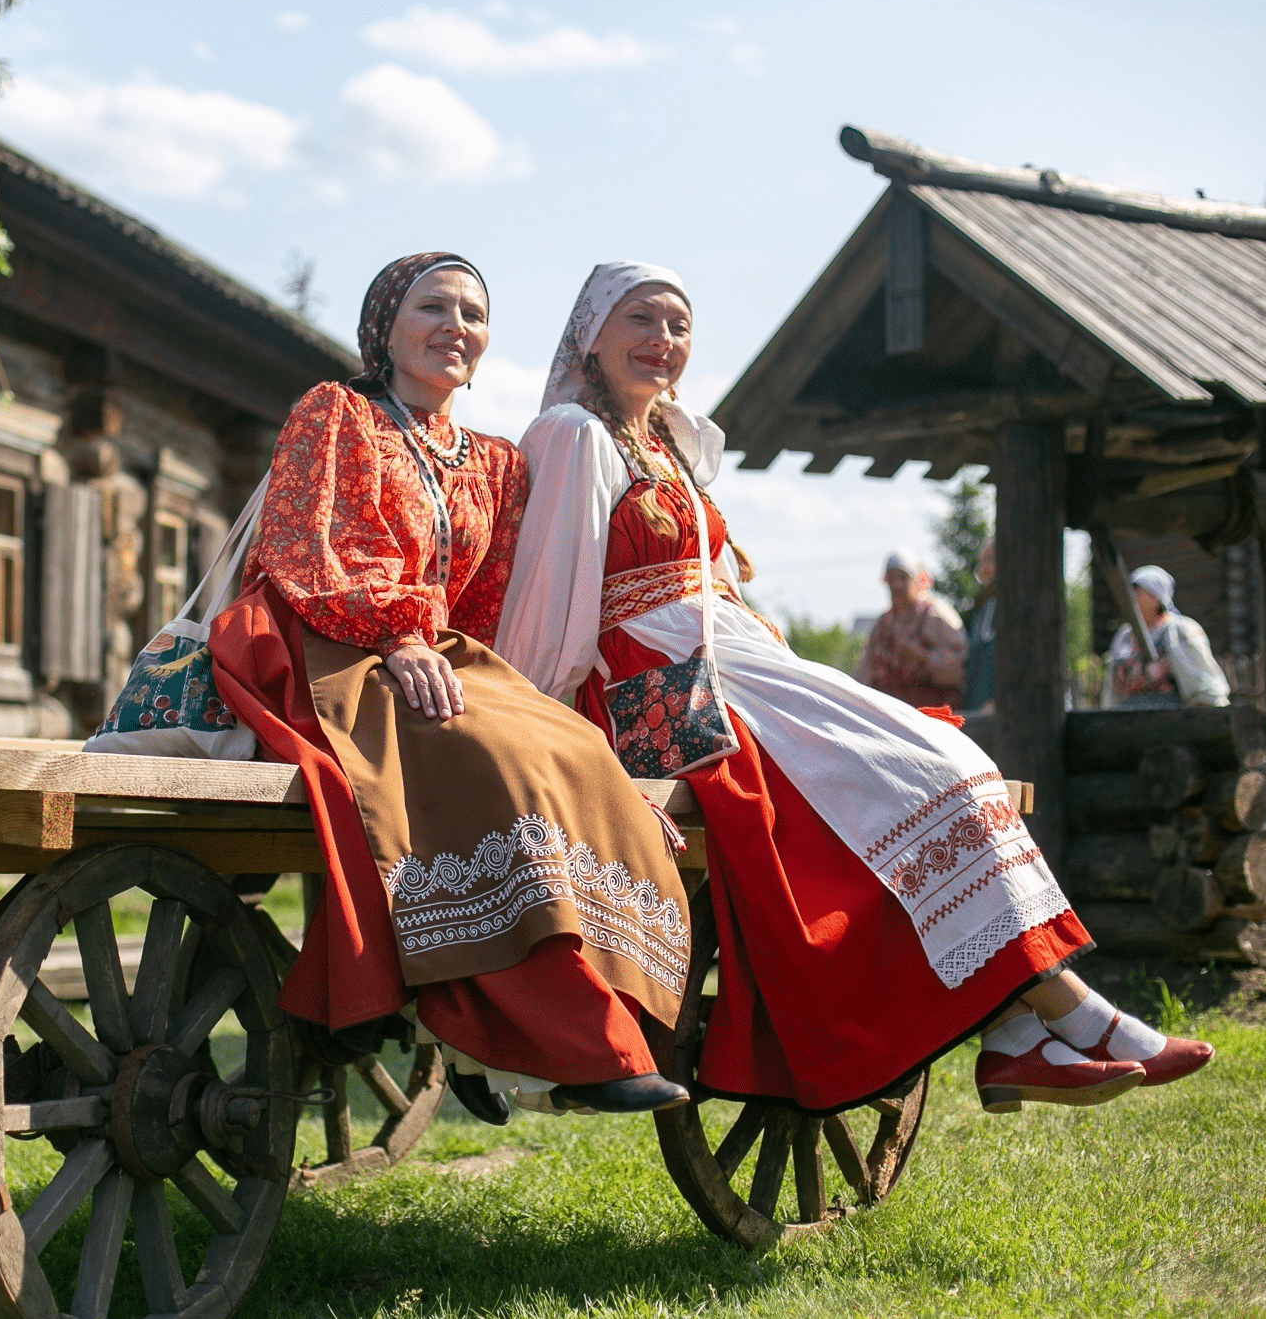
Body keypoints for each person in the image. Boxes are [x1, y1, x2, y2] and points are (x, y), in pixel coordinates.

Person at [496, 262, 1212, 1119]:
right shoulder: (575, 433)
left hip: (725, 656)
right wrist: (535, 725)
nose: (662, 340)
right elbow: (549, 595)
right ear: (592, 333)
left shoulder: (670, 445)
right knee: (889, 772)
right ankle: (1063, 1014)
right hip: (648, 685)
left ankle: (1020, 1029)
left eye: (677, 325)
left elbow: (713, 583)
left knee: (949, 756)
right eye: (640, 319)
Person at [207, 253, 692, 1126]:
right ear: (385, 327)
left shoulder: (495, 463)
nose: (455, 326)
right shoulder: (337, 414)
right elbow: (297, 550)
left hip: (430, 649)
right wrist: (395, 633)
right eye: (433, 306)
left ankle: (548, 1012)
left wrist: (485, 676)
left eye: (473, 312)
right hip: (316, 640)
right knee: (480, 753)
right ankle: (556, 1033)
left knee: (569, 746)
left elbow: (486, 600)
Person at [1102, 565, 1231, 709]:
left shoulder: (1179, 630)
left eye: (1137, 593)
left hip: (1171, 718)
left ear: (1155, 597)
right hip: (1126, 719)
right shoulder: (1124, 635)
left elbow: (1202, 682)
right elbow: (1111, 690)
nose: (1131, 598)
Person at [855, 551, 968, 710]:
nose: (897, 585)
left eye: (903, 578)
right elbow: (864, 673)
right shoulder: (881, 625)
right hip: (890, 716)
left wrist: (923, 657)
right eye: (892, 578)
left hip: (930, 717)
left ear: (918, 580)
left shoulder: (936, 615)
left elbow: (962, 668)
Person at [962, 538, 998, 715]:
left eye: (990, 560)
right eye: (981, 562)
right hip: (978, 712)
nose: (982, 569)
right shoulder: (982, 608)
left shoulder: (1017, 606)